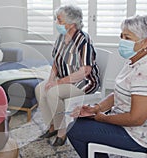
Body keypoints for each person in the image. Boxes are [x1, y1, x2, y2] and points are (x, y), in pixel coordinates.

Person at [67, 15, 147, 158]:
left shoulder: (146, 71)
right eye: (121, 36)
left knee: (74, 130)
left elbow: (136, 119)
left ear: (145, 42)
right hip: (129, 125)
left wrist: (102, 118)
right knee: (82, 120)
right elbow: (119, 93)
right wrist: (95, 109)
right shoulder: (136, 59)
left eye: (127, 38)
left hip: (137, 135)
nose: (122, 41)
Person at [34, 5, 100, 146]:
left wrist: (58, 83)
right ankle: (52, 126)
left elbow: (85, 71)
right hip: (65, 79)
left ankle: (62, 132)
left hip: (83, 82)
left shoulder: (83, 40)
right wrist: (51, 79)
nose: (56, 23)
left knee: (53, 93)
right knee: (40, 89)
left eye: (59, 20)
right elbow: (56, 63)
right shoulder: (61, 37)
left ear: (71, 24)